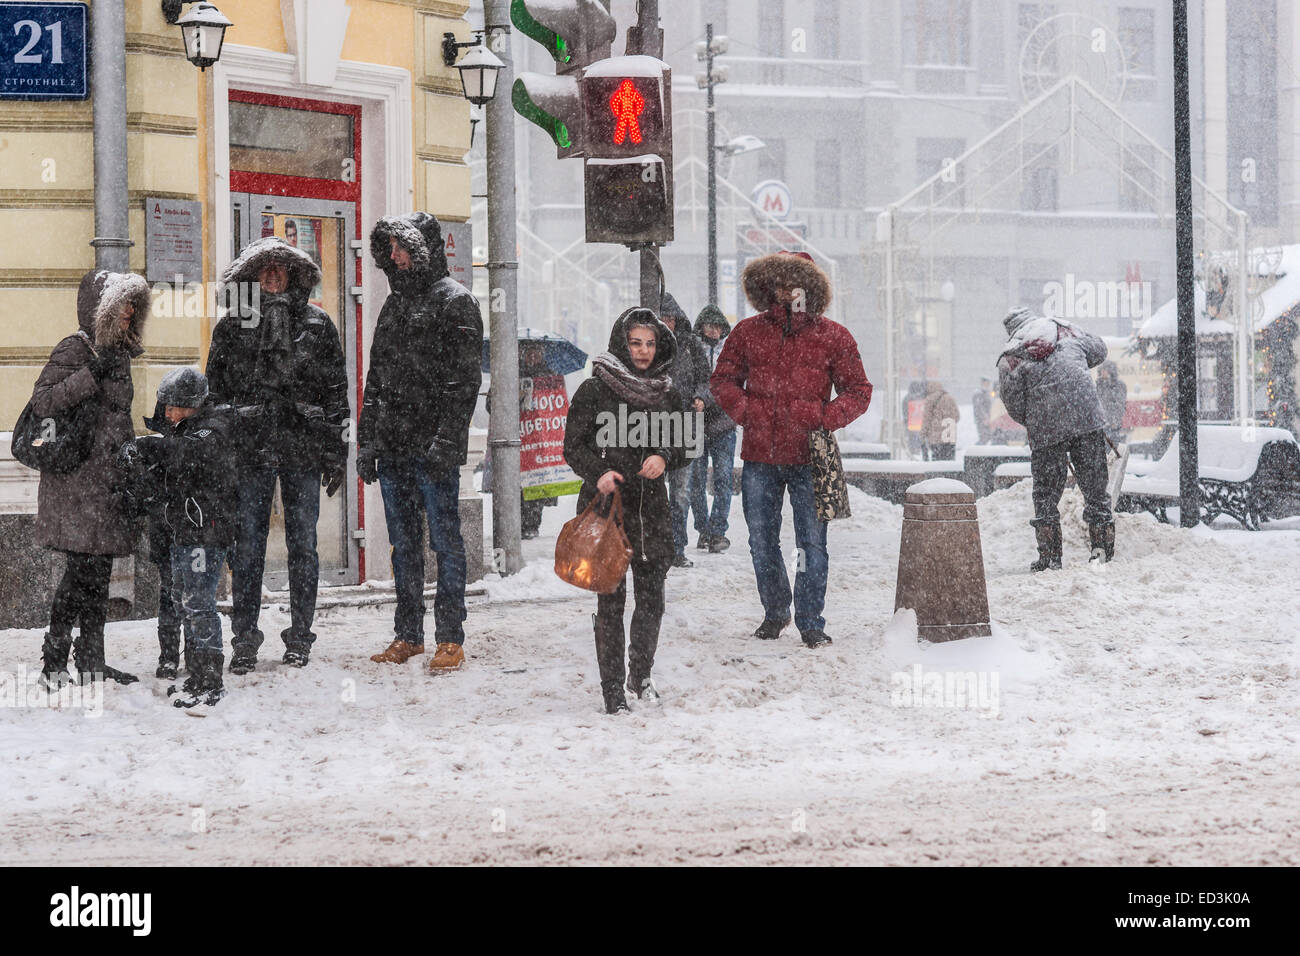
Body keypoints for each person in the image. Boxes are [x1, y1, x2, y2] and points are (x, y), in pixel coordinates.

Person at [711, 251, 872, 648]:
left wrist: (823, 417)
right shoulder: (747, 332)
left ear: (809, 287)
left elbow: (859, 390)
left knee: (811, 543)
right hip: (760, 457)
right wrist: (748, 411)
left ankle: (810, 620)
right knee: (760, 540)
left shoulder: (834, 336)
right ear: (769, 287)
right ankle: (775, 611)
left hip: (809, 457)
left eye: (793, 283)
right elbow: (723, 380)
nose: (786, 291)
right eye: (779, 283)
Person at [207, 237, 350, 673]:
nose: (272, 274)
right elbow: (213, 395)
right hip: (249, 452)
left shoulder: (318, 325)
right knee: (247, 547)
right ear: (251, 276)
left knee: (303, 546)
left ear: (293, 275)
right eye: (264, 268)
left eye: (280, 268)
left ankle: (300, 637)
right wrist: (226, 437)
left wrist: (335, 449)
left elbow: (336, 393)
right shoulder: (232, 327)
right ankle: (245, 640)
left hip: (301, 447)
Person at [361, 213, 483, 672]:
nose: (393, 256)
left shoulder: (456, 303)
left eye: (400, 247)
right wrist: (369, 441)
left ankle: (450, 636)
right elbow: (377, 380)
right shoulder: (393, 307)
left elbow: (463, 383)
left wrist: (445, 442)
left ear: (422, 249)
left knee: (445, 543)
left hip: (432, 451)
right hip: (394, 448)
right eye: (388, 249)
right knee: (404, 545)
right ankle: (408, 634)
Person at [563, 308, 688, 713]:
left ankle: (641, 673)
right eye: (636, 342)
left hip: (651, 510)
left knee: (652, 599)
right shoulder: (594, 390)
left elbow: (686, 443)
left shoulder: (669, 394)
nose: (643, 351)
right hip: (607, 510)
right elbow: (573, 446)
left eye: (650, 343)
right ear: (622, 342)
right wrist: (598, 472)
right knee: (611, 601)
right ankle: (612, 687)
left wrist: (665, 456)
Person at [33, 270, 150, 689]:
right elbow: (43, 401)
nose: (130, 311)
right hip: (76, 485)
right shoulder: (76, 349)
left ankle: (92, 661)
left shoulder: (118, 354)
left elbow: (116, 420)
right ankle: (54, 663)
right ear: (102, 309)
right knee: (79, 575)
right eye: (123, 303)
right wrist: (90, 374)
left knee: (98, 575)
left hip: (107, 484)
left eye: (134, 304)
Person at [121, 368, 239, 707]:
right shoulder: (188, 429)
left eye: (172, 407)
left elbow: (183, 454)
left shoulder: (213, 430)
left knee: (199, 603)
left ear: (190, 405)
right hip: (185, 531)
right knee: (183, 599)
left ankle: (211, 679)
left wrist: (144, 446)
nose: (167, 413)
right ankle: (198, 674)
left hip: (205, 533)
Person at [997, 307, 1114, 570]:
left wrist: (1037, 416)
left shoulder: (1010, 356)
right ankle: (1102, 550)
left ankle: (1050, 558)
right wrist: (1075, 370)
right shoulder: (1065, 331)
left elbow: (1013, 402)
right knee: (1095, 488)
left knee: (1046, 494)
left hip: (1046, 428)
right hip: (1086, 417)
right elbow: (1099, 350)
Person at [657, 293, 709, 568]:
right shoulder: (649, 345)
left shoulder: (690, 345)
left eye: (670, 318)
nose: (668, 323)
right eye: (663, 318)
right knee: (655, 491)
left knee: (680, 492)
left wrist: (701, 396)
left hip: (685, 425)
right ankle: (659, 548)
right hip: (654, 427)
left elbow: (705, 377)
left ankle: (677, 548)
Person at [690, 304, 737, 553]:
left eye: (718, 326)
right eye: (710, 325)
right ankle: (704, 529)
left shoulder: (729, 353)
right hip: (698, 426)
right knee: (696, 482)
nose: (714, 330)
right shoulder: (691, 351)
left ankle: (717, 530)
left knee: (723, 480)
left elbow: (728, 386)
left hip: (723, 425)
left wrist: (704, 399)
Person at [921, 380, 959, 460]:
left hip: (936, 439)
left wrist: (923, 435)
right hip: (950, 437)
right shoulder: (950, 398)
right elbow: (957, 416)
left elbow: (926, 420)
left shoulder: (930, 400)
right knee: (949, 464)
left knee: (937, 465)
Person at [1096, 360, 1128, 444]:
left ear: (1111, 371)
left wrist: (1115, 420)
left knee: (1112, 447)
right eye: (1101, 370)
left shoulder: (1118, 386)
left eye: (1105, 369)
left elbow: (1120, 405)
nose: (1103, 372)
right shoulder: (1098, 385)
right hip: (1100, 424)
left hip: (1112, 424)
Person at [973, 377, 993, 444]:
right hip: (982, 420)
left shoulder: (987, 393)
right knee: (984, 438)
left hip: (987, 419)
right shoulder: (979, 393)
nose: (987, 385)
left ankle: (980, 451)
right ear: (982, 383)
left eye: (988, 384)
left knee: (987, 437)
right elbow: (978, 407)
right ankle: (976, 451)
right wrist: (984, 417)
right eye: (986, 383)